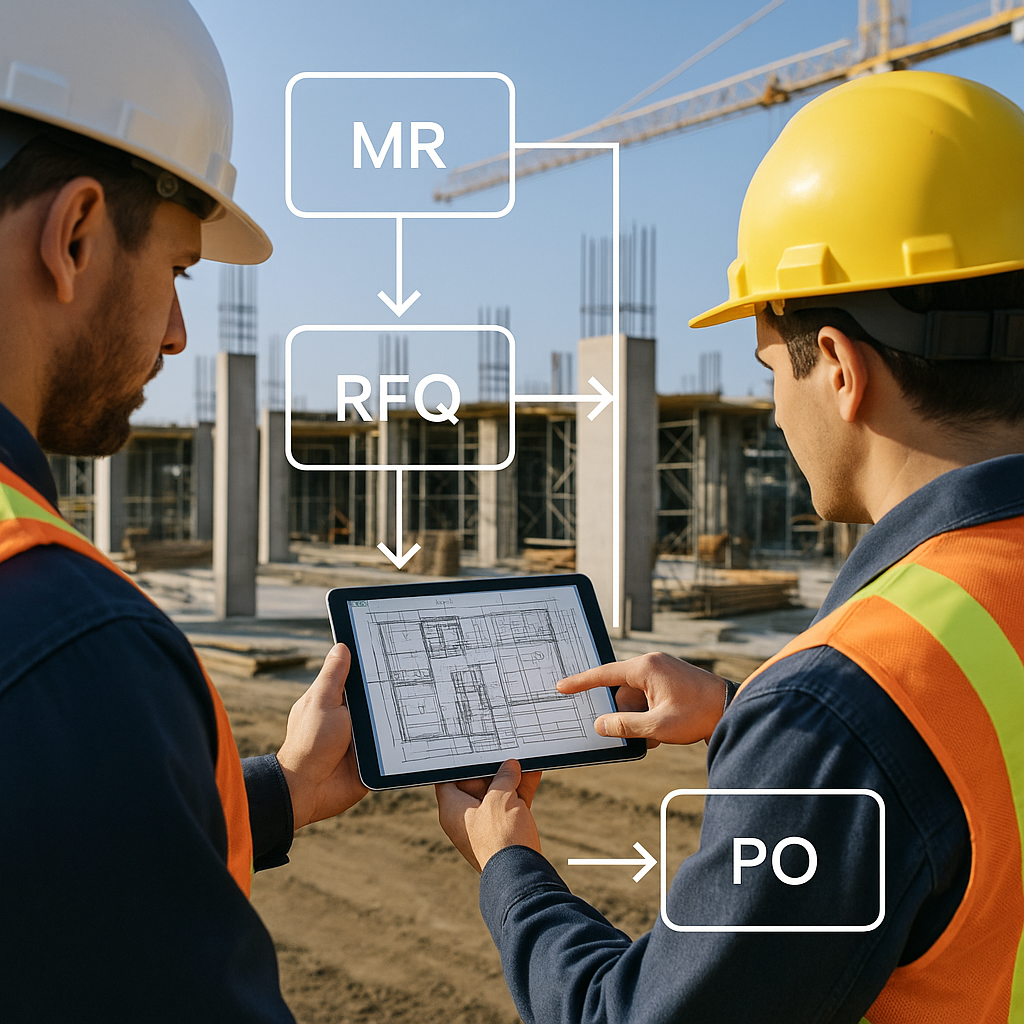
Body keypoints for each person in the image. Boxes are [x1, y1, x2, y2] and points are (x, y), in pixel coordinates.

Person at [436, 70, 1024, 1023]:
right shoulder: (864, 700)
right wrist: (741, 714)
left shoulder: (850, 698)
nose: (776, 412)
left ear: (839, 368)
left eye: (769, 370)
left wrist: (508, 864)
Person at [0, 1, 366, 1020]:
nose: (174, 332)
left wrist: (281, 788)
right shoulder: (73, 639)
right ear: (75, 234)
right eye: (175, 271)